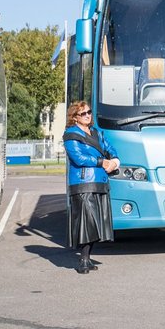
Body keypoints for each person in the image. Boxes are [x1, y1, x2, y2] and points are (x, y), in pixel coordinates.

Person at [63, 101, 119, 275]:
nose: (88, 115)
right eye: (83, 113)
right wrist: (102, 162)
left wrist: (115, 161)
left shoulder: (97, 132)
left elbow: (110, 148)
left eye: (89, 112)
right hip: (83, 184)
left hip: (100, 182)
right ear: (75, 117)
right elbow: (79, 158)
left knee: (97, 223)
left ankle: (86, 258)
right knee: (88, 223)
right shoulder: (70, 135)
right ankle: (83, 259)